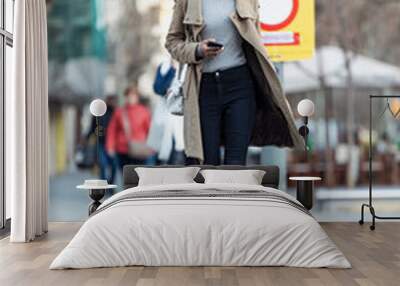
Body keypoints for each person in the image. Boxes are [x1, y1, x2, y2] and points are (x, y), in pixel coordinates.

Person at [165, 0, 303, 165]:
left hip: (240, 85)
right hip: (203, 89)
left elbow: (255, 38)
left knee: (235, 164)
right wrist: (197, 50)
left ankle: (233, 191)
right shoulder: (187, 2)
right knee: (207, 164)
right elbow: (172, 41)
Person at [147, 60, 186, 165]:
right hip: (165, 119)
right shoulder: (165, 66)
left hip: (183, 119)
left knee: (180, 154)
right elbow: (158, 88)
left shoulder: (187, 66)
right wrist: (172, 70)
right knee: (163, 155)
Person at [106, 85, 152, 170]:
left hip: (139, 150)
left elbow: (149, 130)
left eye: (133, 96)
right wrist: (110, 147)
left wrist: (152, 146)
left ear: (137, 97)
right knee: (125, 177)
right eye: (129, 96)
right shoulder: (120, 112)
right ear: (126, 97)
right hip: (122, 150)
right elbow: (112, 130)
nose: (131, 98)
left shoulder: (144, 111)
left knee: (138, 177)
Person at [85, 95, 118, 184]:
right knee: (102, 164)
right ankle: (103, 184)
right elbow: (93, 127)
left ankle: (111, 184)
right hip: (101, 143)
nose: (113, 103)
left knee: (114, 166)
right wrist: (87, 137)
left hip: (113, 144)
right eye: (111, 100)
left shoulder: (117, 113)